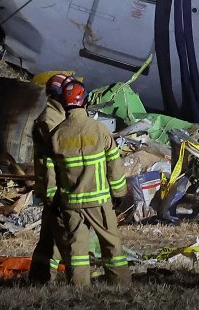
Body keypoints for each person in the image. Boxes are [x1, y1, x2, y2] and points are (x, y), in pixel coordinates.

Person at [47, 81, 130, 285]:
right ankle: (120, 285)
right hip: (99, 202)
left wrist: (52, 201)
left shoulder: (56, 135)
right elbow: (114, 165)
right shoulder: (99, 129)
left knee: (77, 249)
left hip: (71, 204)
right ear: (83, 102)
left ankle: (79, 288)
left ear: (64, 105)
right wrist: (119, 193)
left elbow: (51, 174)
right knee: (112, 246)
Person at [30, 73, 73, 283]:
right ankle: (82, 278)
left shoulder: (58, 115)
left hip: (55, 184)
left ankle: (39, 278)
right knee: (67, 234)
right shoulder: (50, 119)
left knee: (49, 236)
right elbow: (64, 150)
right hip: (55, 186)